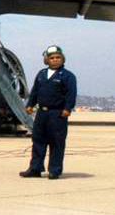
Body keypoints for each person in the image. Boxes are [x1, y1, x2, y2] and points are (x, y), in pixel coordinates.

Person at [19, 45, 77, 180]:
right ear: (47, 60)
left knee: (56, 142)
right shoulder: (41, 74)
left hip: (57, 114)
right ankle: (35, 168)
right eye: (52, 58)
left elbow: (71, 94)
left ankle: (54, 170)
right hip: (42, 113)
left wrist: (68, 109)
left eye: (58, 58)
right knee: (38, 140)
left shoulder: (68, 76)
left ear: (63, 59)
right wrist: (30, 105)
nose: (55, 60)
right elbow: (35, 92)